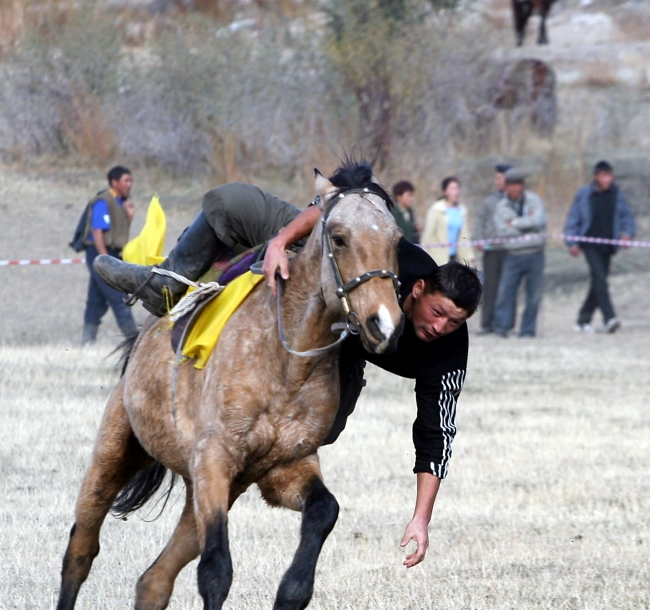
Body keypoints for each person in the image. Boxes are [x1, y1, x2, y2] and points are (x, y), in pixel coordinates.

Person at [94, 168, 483, 569]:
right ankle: (164, 283)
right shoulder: (391, 254)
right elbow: (337, 205)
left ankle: (274, 469)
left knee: (328, 425)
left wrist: (420, 519)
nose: (441, 328)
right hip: (318, 280)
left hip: (342, 348)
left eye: (454, 322)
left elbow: (436, 433)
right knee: (230, 201)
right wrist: (280, 242)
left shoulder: (448, 351)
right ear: (418, 289)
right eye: (438, 313)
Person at [565, 160, 636, 334]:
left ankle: (582, 321)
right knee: (600, 280)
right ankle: (610, 318)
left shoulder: (617, 195)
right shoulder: (584, 194)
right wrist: (572, 242)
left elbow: (627, 216)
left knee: (598, 282)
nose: (607, 179)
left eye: (610, 175)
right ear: (596, 177)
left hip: (608, 245)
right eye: (604, 176)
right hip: (589, 244)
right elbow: (573, 218)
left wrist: (627, 234)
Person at [82, 165, 138, 345]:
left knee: (96, 300)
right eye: (126, 180)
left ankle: (87, 342)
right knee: (117, 296)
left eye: (130, 180)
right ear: (114, 182)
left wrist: (129, 217)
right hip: (99, 253)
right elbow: (97, 231)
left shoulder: (121, 203)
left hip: (110, 253)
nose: (129, 184)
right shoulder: (103, 201)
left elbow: (118, 234)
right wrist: (104, 260)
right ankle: (134, 341)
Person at [492, 168, 547, 338]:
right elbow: (502, 231)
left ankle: (527, 330)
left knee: (534, 295)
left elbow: (539, 221)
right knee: (505, 292)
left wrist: (514, 223)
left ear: (523, 185)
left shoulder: (534, 200)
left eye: (518, 184)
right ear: (506, 187)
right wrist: (528, 226)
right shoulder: (501, 206)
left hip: (535, 253)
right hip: (513, 254)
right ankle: (502, 327)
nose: (515, 188)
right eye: (511, 185)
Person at [474, 164, 511, 334]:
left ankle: (505, 324)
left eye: (501, 178)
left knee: (508, 288)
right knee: (490, 288)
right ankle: (487, 323)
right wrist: (479, 240)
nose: (498, 181)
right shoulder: (489, 201)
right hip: (492, 251)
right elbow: (479, 222)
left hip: (511, 250)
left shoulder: (516, 201)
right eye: (497, 178)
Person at [422, 177, 474, 266]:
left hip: (456, 257)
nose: (456, 192)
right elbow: (428, 235)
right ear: (445, 192)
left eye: (457, 188)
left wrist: (469, 258)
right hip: (438, 258)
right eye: (452, 188)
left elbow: (465, 236)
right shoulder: (436, 209)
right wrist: (424, 258)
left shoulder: (462, 211)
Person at [391, 180, 420, 244]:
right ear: (398, 197)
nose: (411, 199)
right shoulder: (392, 213)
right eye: (409, 195)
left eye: (412, 195)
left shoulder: (410, 211)